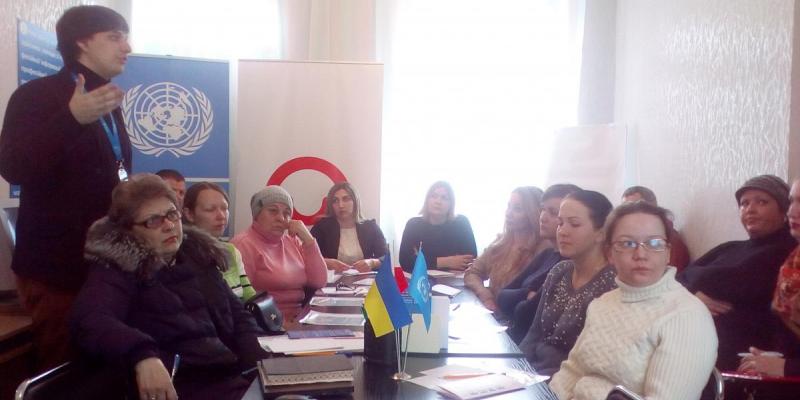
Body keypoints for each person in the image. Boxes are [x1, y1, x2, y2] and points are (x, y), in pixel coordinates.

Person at [0, 5, 132, 371]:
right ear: (82, 42)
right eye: (115, 37)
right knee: (69, 375)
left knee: (106, 372)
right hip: (59, 271)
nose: (128, 47)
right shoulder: (36, 95)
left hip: (105, 264)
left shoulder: (106, 100)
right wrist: (72, 119)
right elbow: (14, 167)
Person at [70, 174, 267, 400]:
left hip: (232, 381)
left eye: (172, 214)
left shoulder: (198, 256)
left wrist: (260, 367)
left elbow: (238, 316)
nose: (169, 225)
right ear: (129, 230)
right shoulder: (117, 269)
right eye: (154, 220)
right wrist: (142, 355)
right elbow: (90, 319)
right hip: (182, 389)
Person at [549, 201, 717, 400]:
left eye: (654, 244)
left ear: (668, 253)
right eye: (627, 243)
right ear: (610, 254)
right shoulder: (603, 303)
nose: (641, 254)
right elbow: (572, 371)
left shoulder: (686, 317)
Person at [678, 175, 797, 370]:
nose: (750, 209)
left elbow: (731, 283)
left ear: (784, 210)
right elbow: (678, 277)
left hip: (747, 358)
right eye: (744, 203)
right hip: (695, 348)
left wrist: (694, 283)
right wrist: (693, 295)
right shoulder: (730, 248)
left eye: (762, 202)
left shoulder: (788, 251)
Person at [519, 190, 616, 375]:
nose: (562, 231)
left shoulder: (612, 284)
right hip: (532, 373)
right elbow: (534, 334)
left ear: (601, 233)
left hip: (566, 380)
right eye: (560, 223)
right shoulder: (560, 271)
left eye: (574, 224)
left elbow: (591, 362)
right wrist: (514, 369)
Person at [498, 183, 581, 342]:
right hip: (514, 339)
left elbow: (524, 313)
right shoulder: (547, 255)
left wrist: (524, 296)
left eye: (553, 213)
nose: (543, 217)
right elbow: (502, 296)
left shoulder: (567, 266)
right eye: (543, 209)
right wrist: (527, 293)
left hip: (525, 347)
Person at [231, 186, 327, 321]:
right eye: (273, 211)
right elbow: (239, 304)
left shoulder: (292, 241)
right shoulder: (243, 245)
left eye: (287, 213)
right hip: (268, 324)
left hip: (300, 319)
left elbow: (319, 281)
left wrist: (308, 240)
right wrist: (279, 325)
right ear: (256, 214)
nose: (281, 218)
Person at [739, 178, 800, 377]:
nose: (792, 211)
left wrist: (786, 367)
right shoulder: (792, 262)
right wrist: (770, 359)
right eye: (791, 201)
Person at [464, 186, 549, 311]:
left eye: (517, 209)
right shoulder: (500, 242)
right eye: (509, 206)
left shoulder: (543, 250)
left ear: (533, 214)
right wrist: (485, 295)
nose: (508, 213)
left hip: (515, 315)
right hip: (492, 311)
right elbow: (472, 273)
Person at [183, 182, 256, 301]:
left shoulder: (230, 251)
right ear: (189, 214)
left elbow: (249, 296)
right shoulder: (181, 256)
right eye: (210, 209)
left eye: (225, 208)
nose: (221, 216)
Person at [399, 181, 478, 272]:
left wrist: (423, 261)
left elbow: (470, 259)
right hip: (422, 278)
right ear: (427, 200)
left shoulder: (461, 223)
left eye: (444, 198)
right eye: (434, 196)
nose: (438, 201)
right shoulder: (413, 224)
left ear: (451, 204)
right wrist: (445, 262)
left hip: (455, 278)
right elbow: (405, 262)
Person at [310, 182, 387, 273]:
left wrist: (372, 262)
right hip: (331, 279)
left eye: (346, 199)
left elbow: (385, 257)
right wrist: (326, 262)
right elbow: (307, 257)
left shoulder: (370, 227)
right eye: (335, 201)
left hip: (364, 279)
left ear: (355, 201)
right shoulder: (321, 227)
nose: (341, 205)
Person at [622, 185, 690, 272]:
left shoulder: (669, 240)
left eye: (633, 207)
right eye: (624, 208)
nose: (626, 214)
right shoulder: (631, 235)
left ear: (652, 208)